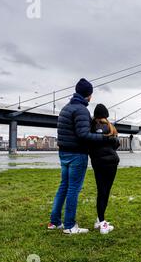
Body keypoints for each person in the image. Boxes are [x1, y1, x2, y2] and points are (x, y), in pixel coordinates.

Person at [48, 78, 117, 235]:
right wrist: (105, 138)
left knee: (63, 186)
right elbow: (83, 134)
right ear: (89, 95)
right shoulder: (81, 110)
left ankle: (55, 222)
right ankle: (70, 226)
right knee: (73, 188)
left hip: (63, 153)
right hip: (76, 154)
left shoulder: (65, 108)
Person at [89, 104, 120, 234]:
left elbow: (88, 144)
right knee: (106, 191)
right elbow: (116, 144)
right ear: (106, 115)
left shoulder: (90, 127)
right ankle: (102, 223)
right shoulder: (111, 127)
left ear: (95, 115)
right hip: (112, 162)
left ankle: (100, 221)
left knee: (101, 190)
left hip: (98, 163)